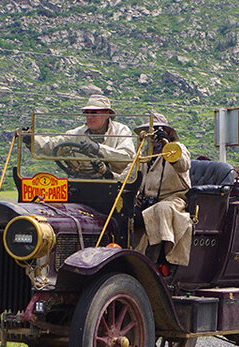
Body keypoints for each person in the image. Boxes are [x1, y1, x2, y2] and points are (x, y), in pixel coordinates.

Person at [25, 94, 135, 178]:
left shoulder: (121, 131)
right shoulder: (77, 134)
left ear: (106, 115)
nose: (89, 117)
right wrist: (31, 140)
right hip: (81, 183)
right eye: (87, 113)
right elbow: (52, 145)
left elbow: (127, 159)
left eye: (94, 113)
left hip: (114, 185)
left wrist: (98, 149)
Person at [134, 112, 192, 269]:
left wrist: (166, 145)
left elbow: (183, 165)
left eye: (156, 130)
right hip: (146, 200)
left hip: (173, 199)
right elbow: (130, 174)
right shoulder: (145, 153)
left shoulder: (177, 148)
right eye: (149, 131)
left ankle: (155, 263)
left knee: (162, 209)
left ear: (166, 132)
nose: (152, 136)